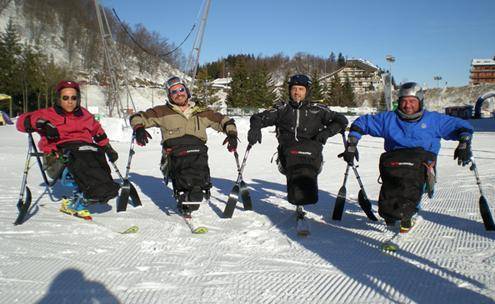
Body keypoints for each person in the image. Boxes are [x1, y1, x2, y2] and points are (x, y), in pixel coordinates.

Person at [340, 82, 474, 233]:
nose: (407, 105)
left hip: (422, 164)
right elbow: (362, 123)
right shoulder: (389, 119)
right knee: (393, 187)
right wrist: (352, 143)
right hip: (395, 162)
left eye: (412, 101)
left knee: (412, 185)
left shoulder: (433, 120)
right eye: (404, 101)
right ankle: (391, 210)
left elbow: (462, 127)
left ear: (420, 102)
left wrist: (464, 143)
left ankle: (410, 211)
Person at [129, 76, 238, 216]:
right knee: (185, 172)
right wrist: (138, 127)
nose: (179, 94)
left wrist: (232, 134)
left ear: (186, 91)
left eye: (181, 89)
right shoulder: (161, 112)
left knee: (198, 170)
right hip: (175, 154)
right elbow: (137, 117)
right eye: (174, 92)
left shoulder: (202, 112)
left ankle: (196, 191)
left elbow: (224, 120)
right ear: (169, 95)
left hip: (198, 153)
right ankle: (187, 193)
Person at [247, 74, 348, 220]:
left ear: (307, 91)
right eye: (294, 89)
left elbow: (341, 120)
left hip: (312, 155)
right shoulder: (282, 109)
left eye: (301, 89)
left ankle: (303, 197)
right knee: (295, 163)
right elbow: (258, 117)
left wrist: (327, 132)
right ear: (289, 90)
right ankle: (298, 198)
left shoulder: (318, 109)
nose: (297, 92)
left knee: (306, 171)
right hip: (288, 156)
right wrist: (255, 128)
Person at [16, 80, 120, 217]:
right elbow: (21, 123)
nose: (69, 101)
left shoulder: (85, 115)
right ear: (59, 99)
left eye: (73, 98)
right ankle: (87, 193)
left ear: (78, 99)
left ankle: (104, 189)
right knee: (80, 157)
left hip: (85, 150)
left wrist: (107, 148)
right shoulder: (47, 114)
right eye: (65, 98)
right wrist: (43, 124)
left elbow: (98, 132)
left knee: (97, 155)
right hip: (57, 157)